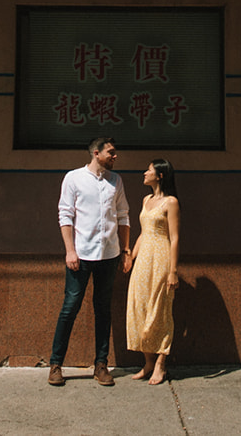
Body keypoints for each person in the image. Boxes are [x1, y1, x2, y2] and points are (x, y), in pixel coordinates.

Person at [48, 136, 131, 387]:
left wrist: (125, 251)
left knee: (103, 309)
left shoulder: (115, 181)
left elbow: (123, 216)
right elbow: (65, 214)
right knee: (70, 307)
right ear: (96, 153)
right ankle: (56, 364)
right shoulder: (73, 178)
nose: (115, 157)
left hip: (109, 255)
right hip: (81, 255)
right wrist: (69, 250)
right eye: (111, 153)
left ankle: (101, 364)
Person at [124, 158, 181, 385]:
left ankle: (160, 364)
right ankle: (147, 362)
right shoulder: (146, 199)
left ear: (160, 176)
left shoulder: (171, 202)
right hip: (143, 260)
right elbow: (142, 233)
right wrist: (130, 256)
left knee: (160, 310)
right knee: (139, 307)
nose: (144, 173)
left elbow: (175, 237)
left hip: (161, 258)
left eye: (149, 170)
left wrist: (173, 271)